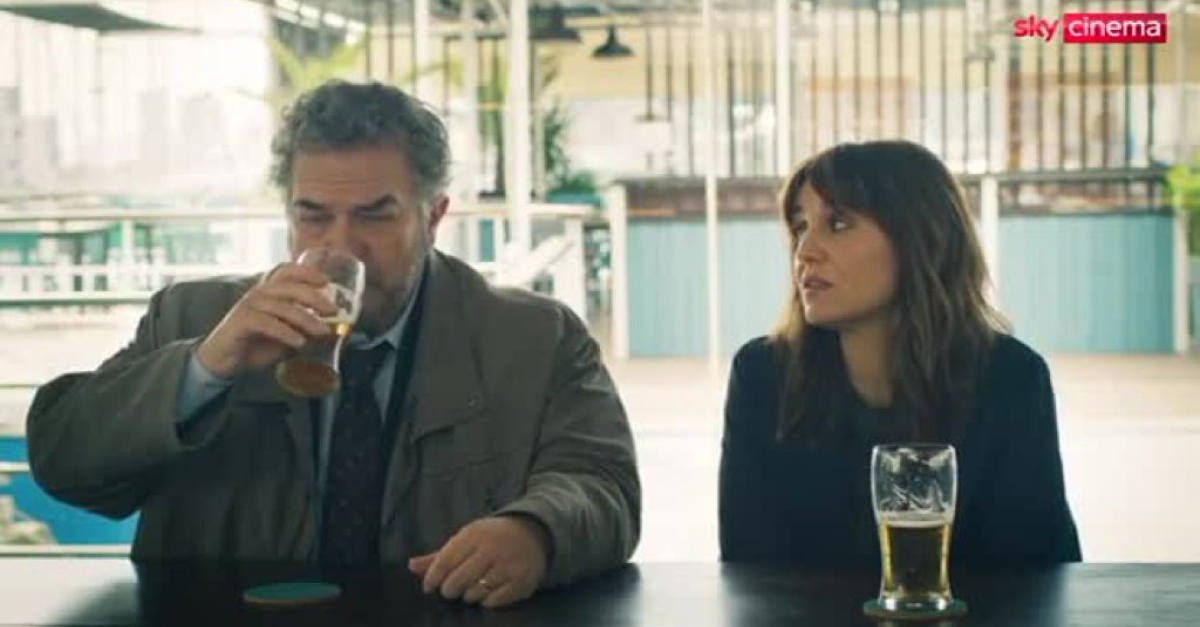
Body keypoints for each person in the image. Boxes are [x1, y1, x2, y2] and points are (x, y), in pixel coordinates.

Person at [26, 80, 640, 609]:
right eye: (313, 215)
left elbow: (603, 484)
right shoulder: (192, 317)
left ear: (433, 217)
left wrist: (536, 532)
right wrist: (204, 369)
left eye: (375, 215)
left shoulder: (535, 338)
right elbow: (64, 465)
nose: (342, 245)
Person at [719, 140, 1080, 567]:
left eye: (838, 223)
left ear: (919, 238)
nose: (805, 251)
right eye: (800, 226)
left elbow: (1041, 571)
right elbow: (748, 571)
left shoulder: (1011, 377)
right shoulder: (762, 376)